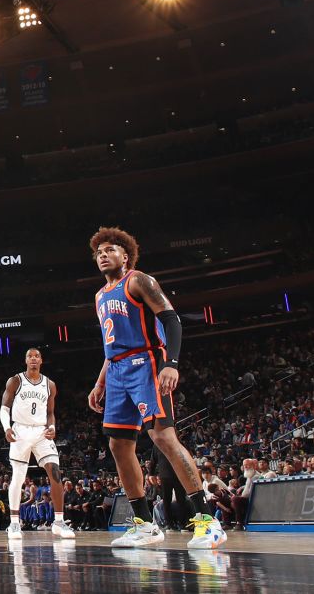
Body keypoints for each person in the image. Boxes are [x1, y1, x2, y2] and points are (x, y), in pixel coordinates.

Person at [86, 227, 226, 549]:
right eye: (98, 252)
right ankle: (144, 524)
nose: (103, 255)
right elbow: (112, 345)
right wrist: (100, 381)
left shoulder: (139, 280)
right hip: (117, 370)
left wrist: (170, 363)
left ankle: (208, 521)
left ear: (126, 255)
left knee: (163, 437)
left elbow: (171, 319)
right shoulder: (99, 296)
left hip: (146, 364)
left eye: (110, 249)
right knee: (118, 447)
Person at [0, 348, 74, 538]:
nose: (33, 359)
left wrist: (53, 427)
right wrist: (6, 428)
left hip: (41, 431)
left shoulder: (50, 384)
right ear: (26, 360)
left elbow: (50, 413)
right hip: (20, 430)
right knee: (18, 476)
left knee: (55, 471)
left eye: (36, 356)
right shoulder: (15, 380)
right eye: (30, 356)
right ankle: (14, 523)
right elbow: (4, 407)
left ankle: (59, 522)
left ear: (41, 360)